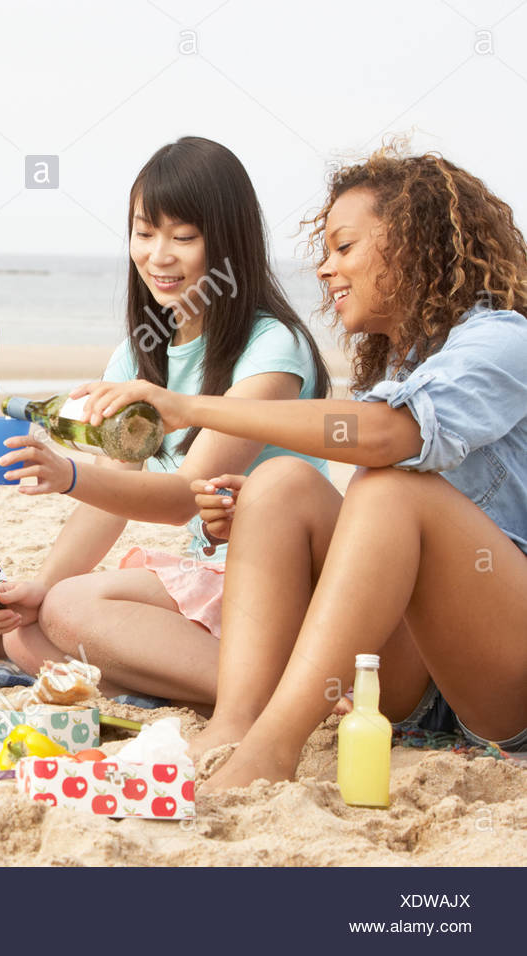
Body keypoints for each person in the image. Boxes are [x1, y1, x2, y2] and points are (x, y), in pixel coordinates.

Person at [81, 146, 527, 786]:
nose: (324, 268)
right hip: (410, 688)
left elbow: (382, 436)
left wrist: (187, 407)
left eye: (346, 247)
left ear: (415, 243)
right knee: (280, 482)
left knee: (388, 486)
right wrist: (259, 513)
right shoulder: (403, 365)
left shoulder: (502, 338)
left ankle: (273, 745)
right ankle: (235, 724)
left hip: (501, 680)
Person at [0, 136, 330, 709]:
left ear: (229, 243)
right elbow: (109, 498)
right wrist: (40, 584)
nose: (158, 256)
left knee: (71, 610)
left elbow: (180, 498)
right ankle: (205, 684)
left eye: (183, 237)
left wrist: (67, 472)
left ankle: (273, 688)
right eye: (144, 233)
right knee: (28, 633)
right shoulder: (142, 352)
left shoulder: (272, 351)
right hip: (211, 574)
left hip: (275, 587)